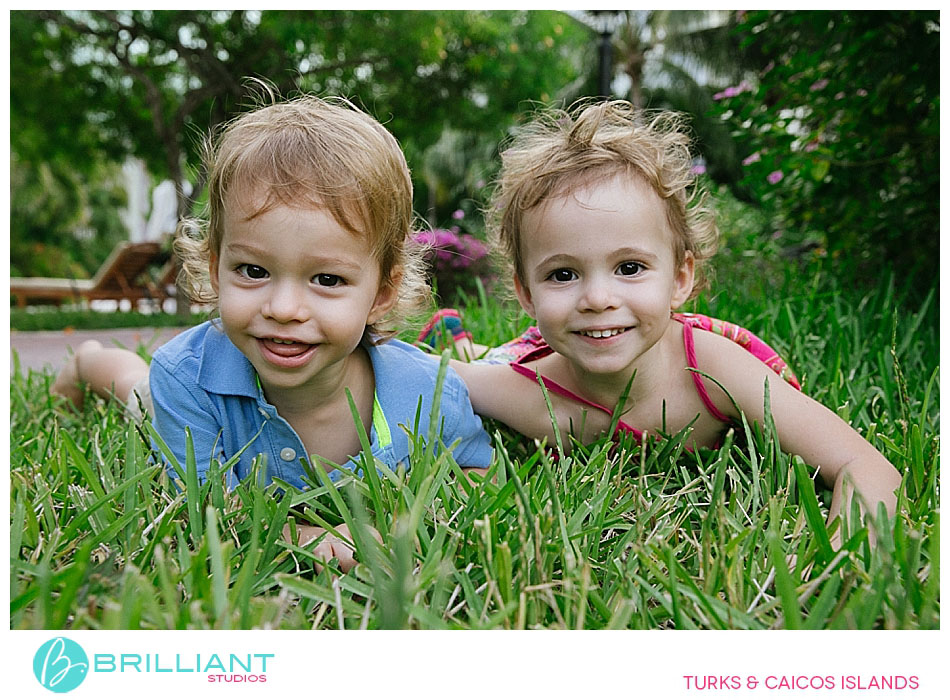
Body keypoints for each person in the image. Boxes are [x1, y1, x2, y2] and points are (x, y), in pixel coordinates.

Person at [425, 99, 900, 543]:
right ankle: (461, 338)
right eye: (563, 274)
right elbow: (426, 377)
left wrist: (844, 555)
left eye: (629, 268)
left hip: (672, 352)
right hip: (539, 357)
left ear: (680, 277)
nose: (597, 298)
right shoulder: (527, 393)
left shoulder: (713, 371)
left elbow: (866, 465)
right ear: (527, 293)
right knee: (484, 360)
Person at [53, 93, 493, 571]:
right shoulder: (184, 381)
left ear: (382, 293)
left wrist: (411, 519)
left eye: (327, 280)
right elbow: (207, 508)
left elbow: (477, 474)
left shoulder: (430, 393)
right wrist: (311, 539)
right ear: (215, 267)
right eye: (253, 270)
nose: (283, 309)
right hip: (187, 396)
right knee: (134, 390)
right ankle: (87, 361)